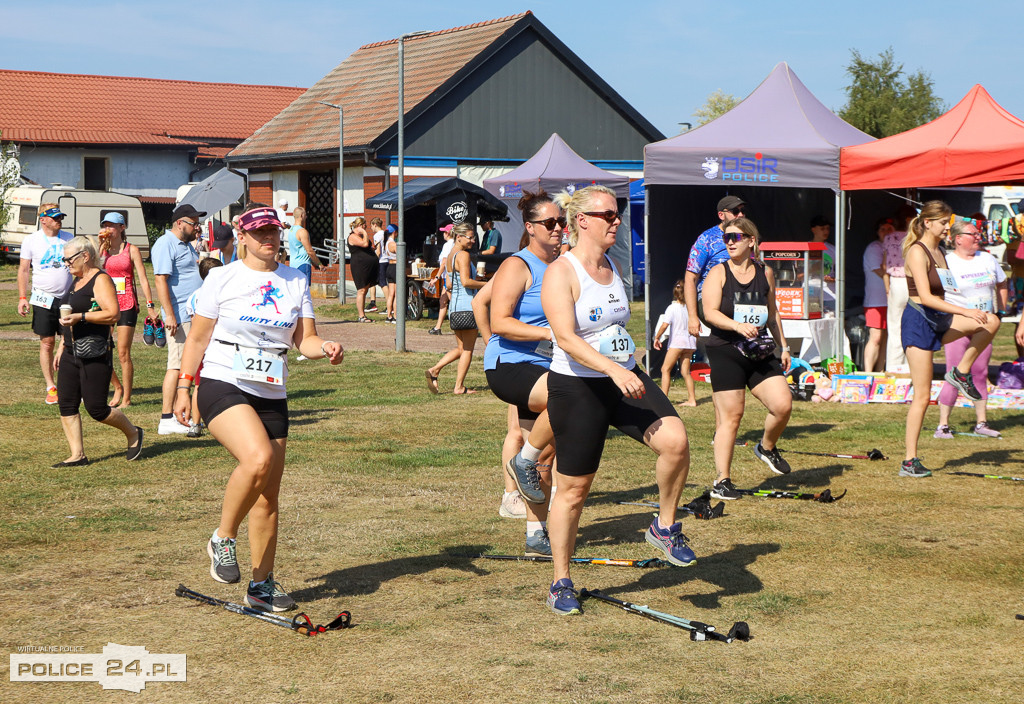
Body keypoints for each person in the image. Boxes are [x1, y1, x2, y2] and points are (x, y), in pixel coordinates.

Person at [173, 203, 344, 612]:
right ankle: (222, 538)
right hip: (221, 378)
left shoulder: (294, 280)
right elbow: (196, 339)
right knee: (257, 457)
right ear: (243, 237)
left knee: (268, 496)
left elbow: (305, 340)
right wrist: (183, 386)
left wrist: (327, 349)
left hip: (271, 389)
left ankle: (261, 584)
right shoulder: (221, 276)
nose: (269, 239)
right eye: (261, 232)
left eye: (274, 232)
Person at [541, 185, 694, 616]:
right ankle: (560, 580)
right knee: (574, 490)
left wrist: (627, 364)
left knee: (675, 441)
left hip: (625, 376)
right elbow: (567, 338)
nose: (616, 221)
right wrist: (613, 370)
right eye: (607, 214)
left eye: (617, 213)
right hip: (578, 387)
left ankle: (663, 527)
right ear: (582, 220)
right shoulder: (561, 272)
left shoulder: (613, 264)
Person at [483, 190, 563, 555]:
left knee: (545, 451)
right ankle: (522, 461)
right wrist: (550, 333)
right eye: (549, 223)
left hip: (549, 366)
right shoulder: (518, 265)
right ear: (530, 228)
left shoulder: (565, 265)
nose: (558, 228)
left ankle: (536, 534)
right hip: (511, 365)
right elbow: (499, 319)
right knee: (570, 399)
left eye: (561, 221)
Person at [899, 201, 1000, 478]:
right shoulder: (917, 252)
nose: (947, 227)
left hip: (940, 318)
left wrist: (972, 311)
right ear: (927, 222)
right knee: (922, 396)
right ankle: (909, 460)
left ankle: (960, 372)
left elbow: (946, 293)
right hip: (919, 322)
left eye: (948, 222)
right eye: (943, 222)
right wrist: (965, 311)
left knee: (991, 321)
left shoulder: (940, 251)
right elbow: (928, 297)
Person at [699, 217, 792, 500]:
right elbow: (710, 312)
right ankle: (722, 480)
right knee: (732, 417)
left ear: (751, 241)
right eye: (726, 238)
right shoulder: (718, 272)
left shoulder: (765, 272)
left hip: (759, 348)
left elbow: (772, 312)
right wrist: (737, 325)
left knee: (783, 404)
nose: (729, 242)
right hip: (726, 349)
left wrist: (784, 347)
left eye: (735, 237)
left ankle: (766, 447)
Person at [53, 236, 143, 466]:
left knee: (97, 408)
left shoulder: (100, 279)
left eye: (69, 259)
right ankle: (77, 455)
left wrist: (81, 316)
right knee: (67, 404)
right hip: (71, 351)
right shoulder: (77, 280)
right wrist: (62, 347)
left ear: (85, 256)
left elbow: (113, 314)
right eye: (64, 260)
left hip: (95, 351)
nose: (67, 264)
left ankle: (133, 433)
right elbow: (68, 318)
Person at [934, 220, 1008, 439]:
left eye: (979, 234)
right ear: (958, 238)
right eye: (973, 234)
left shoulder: (987, 258)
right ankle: (943, 425)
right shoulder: (947, 262)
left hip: (985, 325)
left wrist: (1001, 311)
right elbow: (937, 292)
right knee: (955, 371)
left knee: (980, 372)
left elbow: (1002, 283)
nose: (978, 237)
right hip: (958, 324)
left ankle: (981, 422)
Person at [152, 204, 207, 435]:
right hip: (179, 316)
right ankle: (166, 418)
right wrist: (170, 315)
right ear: (179, 223)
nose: (198, 227)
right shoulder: (165, 244)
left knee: (186, 365)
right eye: (194, 223)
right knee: (175, 365)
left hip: (191, 314)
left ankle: (178, 414)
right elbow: (160, 280)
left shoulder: (186, 244)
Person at [98, 212, 156, 408]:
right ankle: (117, 386)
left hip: (127, 304)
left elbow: (143, 279)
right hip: (106, 304)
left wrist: (150, 305)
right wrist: (99, 247)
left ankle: (126, 398)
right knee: (101, 349)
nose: (108, 229)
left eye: (112, 226)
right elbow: (93, 271)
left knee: (123, 352)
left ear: (122, 228)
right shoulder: (102, 250)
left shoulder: (131, 250)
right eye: (105, 225)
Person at [17, 204, 74, 404]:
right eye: (55, 217)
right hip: (43, 297)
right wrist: (22, 297)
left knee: (70, 342)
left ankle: (70, 385)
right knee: (47, 342)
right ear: (43, 219)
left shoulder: (69, 238)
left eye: (61, 217)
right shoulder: (31, 240)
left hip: (67, 298)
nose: (59, 220)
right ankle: (51, 386)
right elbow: (24, 270)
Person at [425, 223, 484, 394]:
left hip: (455, 308)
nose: (473, 241)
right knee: (467, 350)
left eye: (474, 237)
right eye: (470, 237)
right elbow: (466, 282)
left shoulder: (451, 255)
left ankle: (434, 370)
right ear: (459, 237)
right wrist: (487, 284)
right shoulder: (463, 255)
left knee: (460, 348)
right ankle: (458, 386)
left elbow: (450, 283)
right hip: (468, 307)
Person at [883, 204, 918, 373]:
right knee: (913, 327)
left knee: (894, 327)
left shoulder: (888, 238)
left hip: (895, 282)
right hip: (913, 283)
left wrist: (887, 286)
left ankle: (892, 368)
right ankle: (911, 367)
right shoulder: (915, 238)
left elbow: (884, 264)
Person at [653, 279, 697, 405]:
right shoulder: (690, 309)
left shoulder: (672, 308)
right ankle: (692, 399)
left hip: (677, 343)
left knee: (665, 369)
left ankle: (664, 399)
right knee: (686, 372)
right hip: (689, 343)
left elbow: (664, 325)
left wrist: (657, 337)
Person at [862, 217, 893, 372]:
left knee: (886, 338)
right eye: (883, 229)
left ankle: (880, 372)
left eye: (889, 229)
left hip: (890, 301)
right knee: (876, 337)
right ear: (877, 233)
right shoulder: (874, 248)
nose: (887, 232)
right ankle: (868, 372)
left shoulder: (894, 248)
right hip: (875, 301)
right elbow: (882, 271)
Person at [348, 216, 377, 322]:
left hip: (368, 266)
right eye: (365, 226)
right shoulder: (353, 236)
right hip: (359, 266)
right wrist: (364, 233)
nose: (365, 228)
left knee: (365, 290)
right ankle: (361, 316)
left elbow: (368, 245)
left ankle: (363, 315)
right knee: (361, 290)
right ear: (360, 226)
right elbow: (364, 244)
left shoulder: (360, 235)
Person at [287, 207, 324, 286]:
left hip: (293, 264)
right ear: (301, 215)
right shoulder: (302, 231)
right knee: (304, 291)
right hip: (302, 264)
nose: (306, 217)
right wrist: (319, 263)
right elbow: (310, 251)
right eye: (305, 215)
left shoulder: (291, 230)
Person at [429, 225, 455, 335]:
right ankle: (437, 327)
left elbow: (444, 262)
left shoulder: (448, 245)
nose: (443, 234)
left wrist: (436, 277)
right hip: (448, 276)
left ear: (448, 233)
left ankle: (464, 325)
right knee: (443, 301)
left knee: (454, 303)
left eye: (444, 232)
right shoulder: (454, 244)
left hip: (447, 277)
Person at [810, 215, 836, 313]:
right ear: (813, 229)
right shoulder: (804, 249)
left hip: (830, 295)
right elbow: (797, 276)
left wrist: (833, 280)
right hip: (811, 295)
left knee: (833, 324)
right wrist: (812, 269)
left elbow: (841, 274)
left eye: (828, 229)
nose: (826, 232)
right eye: (822, 228)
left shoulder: (833, 249)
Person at [382, 225, 399, 323]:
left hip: (389, 267)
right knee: (397, 294)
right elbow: (400, 256)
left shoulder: (386, 243)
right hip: (395, 267)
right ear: (394, 232)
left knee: (390, 294)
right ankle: (396, 316)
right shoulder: (393, 244)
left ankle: (389, 315)